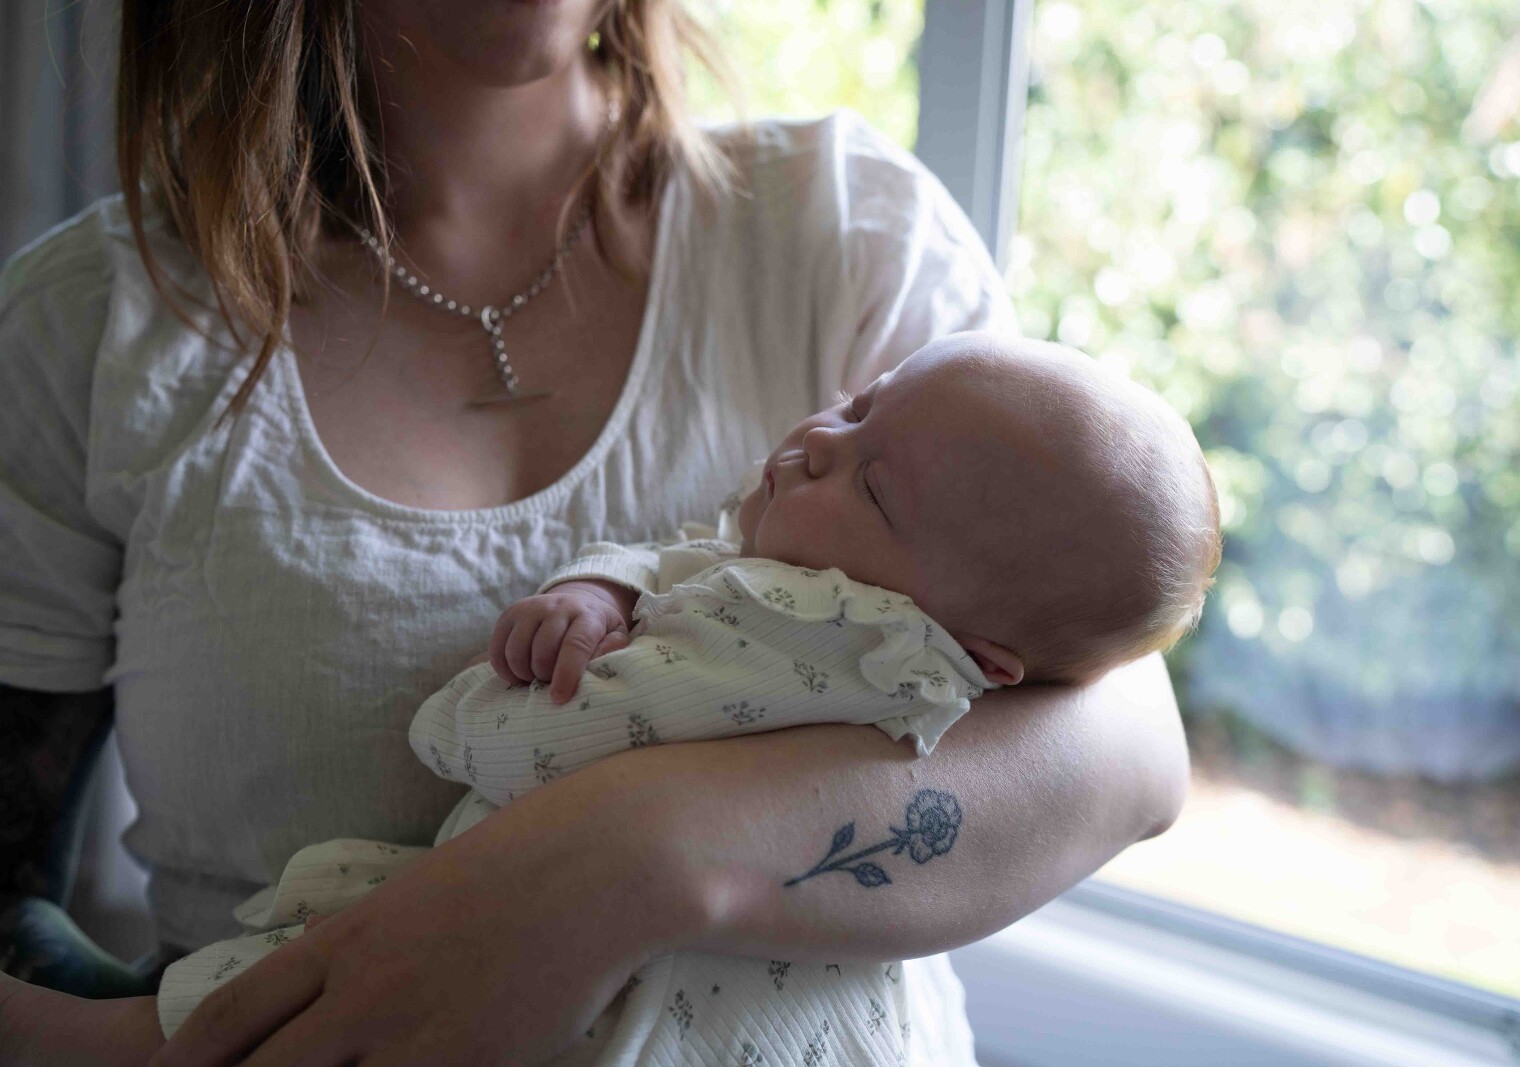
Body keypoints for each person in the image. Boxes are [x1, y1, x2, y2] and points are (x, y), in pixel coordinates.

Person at [0, 1, 1191, 1064]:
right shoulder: (89, 329)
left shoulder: (843, 226)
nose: (828, 442)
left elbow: (1130, 748)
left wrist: (623, 861)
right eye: (846, 417)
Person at [143, 336, 1220, 1061]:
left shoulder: (818, 630)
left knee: (250, 1005)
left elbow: (523, 740)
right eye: (857, 405)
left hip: (633, 1017)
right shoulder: (898, 604)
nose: (818, 442)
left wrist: (492, 710)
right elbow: (696, 553)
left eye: (872, 485)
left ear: (984, 654)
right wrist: (605, 586)